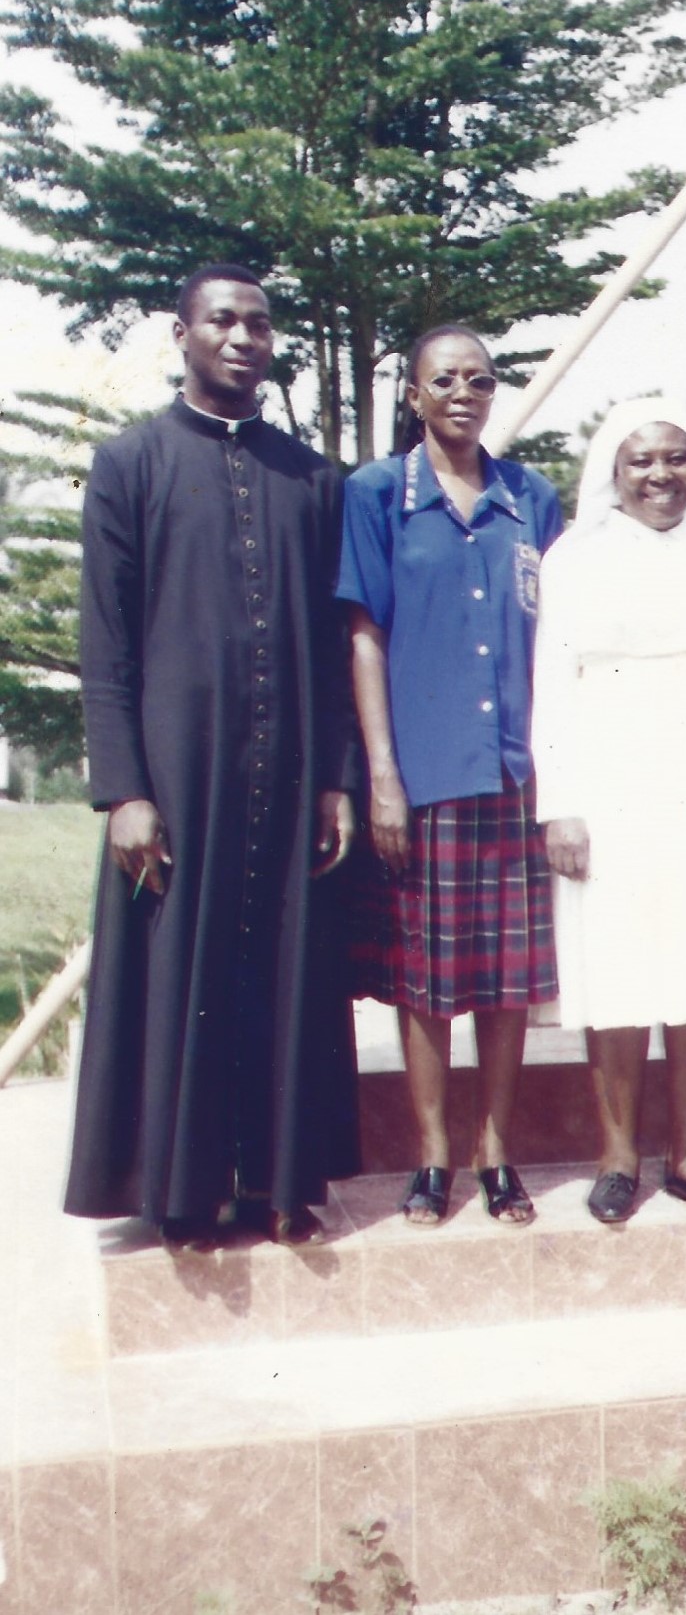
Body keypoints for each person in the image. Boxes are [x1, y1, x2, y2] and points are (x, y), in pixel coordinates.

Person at [65, 263, 360, 1248]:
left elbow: (335, 645)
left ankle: (280, 1180)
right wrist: (123, 789)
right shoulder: (130, 463)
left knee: (283, 966)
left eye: (259, 324)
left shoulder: (312, 478)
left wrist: (336, 780)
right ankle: (183, 1192)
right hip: (178, 774)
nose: (242, 337)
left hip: (292, 771)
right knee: (178, 972)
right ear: (182, 335)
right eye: (223, 321)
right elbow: (105, 642)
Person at [532, 397, 686, 1225]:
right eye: (641, 459)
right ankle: (617, 1158)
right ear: (613, 468)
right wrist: (559, 805)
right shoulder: (575, 557)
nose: (660, 475)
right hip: (610, 771)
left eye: (676, 457)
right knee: (618, 959)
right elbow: (551, 684)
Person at [337, 324, 562, 1227]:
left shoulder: (529, 497)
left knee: (506, 979)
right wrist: (383, 776)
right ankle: (432, 1157)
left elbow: (558, 636)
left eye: (478, 379)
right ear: (414, 396)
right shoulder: (378, 493)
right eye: (444, 381)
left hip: (515, 771)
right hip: (425, 772)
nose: (462, 394)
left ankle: (495, 1153)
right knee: (424, 980)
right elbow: (365, 636)